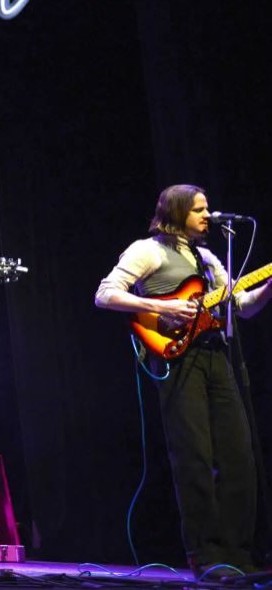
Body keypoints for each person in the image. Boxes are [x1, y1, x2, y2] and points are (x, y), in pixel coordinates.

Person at [95, 184, 272, 578]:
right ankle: (206, 556)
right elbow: (105, 294)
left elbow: (241, 308)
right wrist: (162, 306)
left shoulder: (209, 258)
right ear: (176, 213)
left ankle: (239, 554)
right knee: (194, 458)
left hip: (217, 357)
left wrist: (269, 288)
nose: (207, 215)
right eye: (199, 209)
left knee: (238, 456)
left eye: (208, 208)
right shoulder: (147, 250)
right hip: (178, 360)